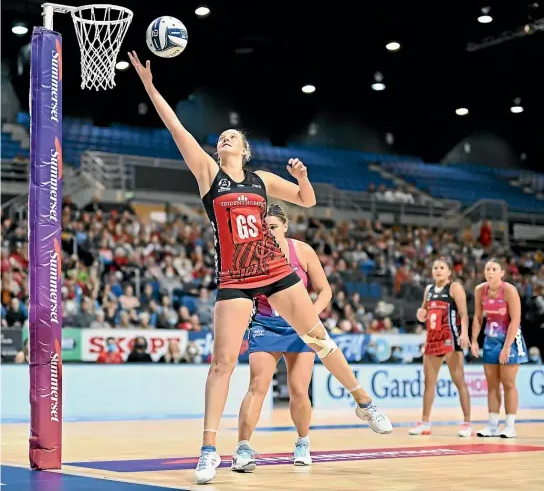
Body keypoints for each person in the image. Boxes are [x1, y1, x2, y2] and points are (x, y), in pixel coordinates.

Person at [128, 51, 392, 486]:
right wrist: (150, 86)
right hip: (234, 278)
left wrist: (304, 178)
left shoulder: (262, 179)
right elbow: (176, 127)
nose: (224, 140)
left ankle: (363, 401)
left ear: (246, 149)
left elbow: (306, 201)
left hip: (272, 269)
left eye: (232, 137)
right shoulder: (208, 174)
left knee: (318, 338)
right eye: (221, 137)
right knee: (222, 364)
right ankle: (209, 451)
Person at [232, 204, 332, 472]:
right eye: (263, 228)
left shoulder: (303, 251)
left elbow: (325, 291)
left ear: (286, 226)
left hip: (299, 327)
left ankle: (302, 442)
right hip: (265, 323)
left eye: (273, 227)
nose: (268, 232)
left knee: (299, 390)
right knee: (257, 386)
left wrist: (309, 314)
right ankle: (242, 448)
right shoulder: (252, 254)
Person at [411, 258, 472, 437]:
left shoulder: (454, 288)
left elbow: (463, 313)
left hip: (450, 338)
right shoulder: (428, 290)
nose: (438, 270)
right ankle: (425, 423)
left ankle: (467, 423)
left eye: (442, 267)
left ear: (449, 272)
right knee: (428, 382)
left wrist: (465, 333)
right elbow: (423, 313)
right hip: (432, 339)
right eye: (435, 267)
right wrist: (420, 314)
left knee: (458, 380)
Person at [471, 258, 529, 438]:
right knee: (492, 385)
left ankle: (510, 426)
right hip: (490, 340)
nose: (490, 272)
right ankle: (492, 426)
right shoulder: (480, 290)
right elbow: (478, 317)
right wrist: (474, 340)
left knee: (508, 382)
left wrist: (506, 347)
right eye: (487, 269)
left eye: (494, 269)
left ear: (502, 272)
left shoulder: (510, 291)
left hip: (510, 338)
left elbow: (516, 321)